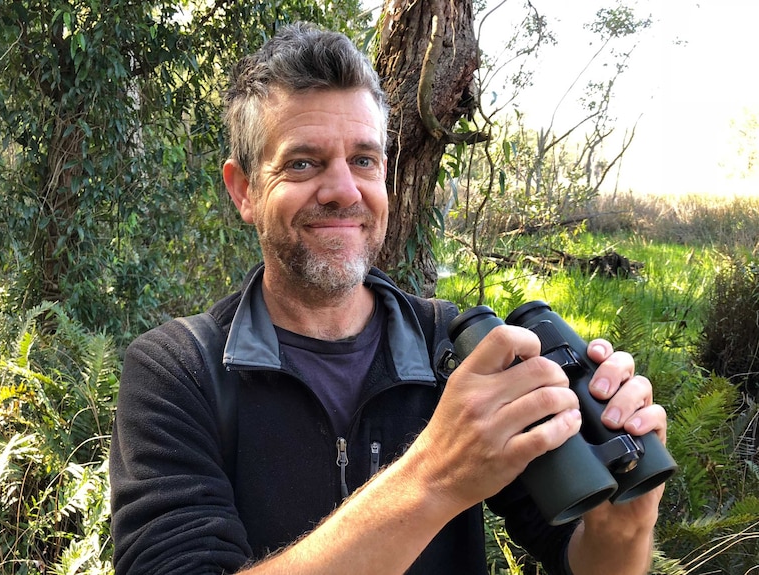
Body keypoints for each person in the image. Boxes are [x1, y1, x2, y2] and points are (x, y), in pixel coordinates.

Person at [110, 22, 667, 575]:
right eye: (302, 163)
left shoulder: (462, 350)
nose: (344, 191)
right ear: (244, 191)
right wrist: (434, 477)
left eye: (364, 160)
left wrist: (627, 522)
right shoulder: (179, 371)